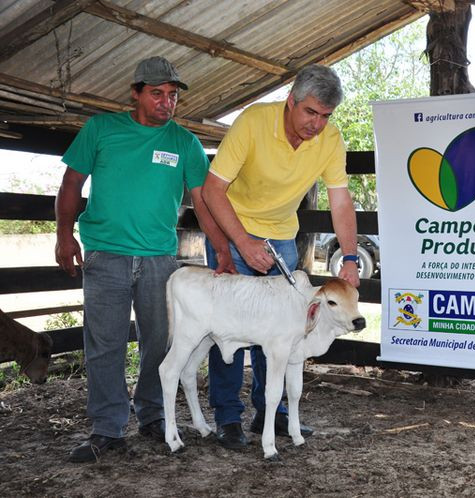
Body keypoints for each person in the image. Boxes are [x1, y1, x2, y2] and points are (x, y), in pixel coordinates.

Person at [56, 56, 233, 463]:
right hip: (106, 254)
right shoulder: (101, 129)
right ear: (135, 93)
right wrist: (64, 236)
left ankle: (153, 415)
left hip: (159, 259)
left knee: (160, 341)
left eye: (172, 95)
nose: (166, 103)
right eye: (157, 94)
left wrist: (222, 248)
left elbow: (202, 200)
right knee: (105, 344)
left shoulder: (184, 142)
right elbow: (71, 182)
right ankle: (107, 427)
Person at [202, 64, 360, 449]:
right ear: (290, 102)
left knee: (285, 329)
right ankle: (227, 418)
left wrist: (352, 257)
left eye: (325, 116)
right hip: (233, 229)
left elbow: (341, 202)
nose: (317, 124)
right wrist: (240, 242)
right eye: (310, 112)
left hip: (282, 239)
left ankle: (269, 413)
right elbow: (212, 190)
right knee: (229, 326)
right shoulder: (254, 121)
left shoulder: (331, 139)